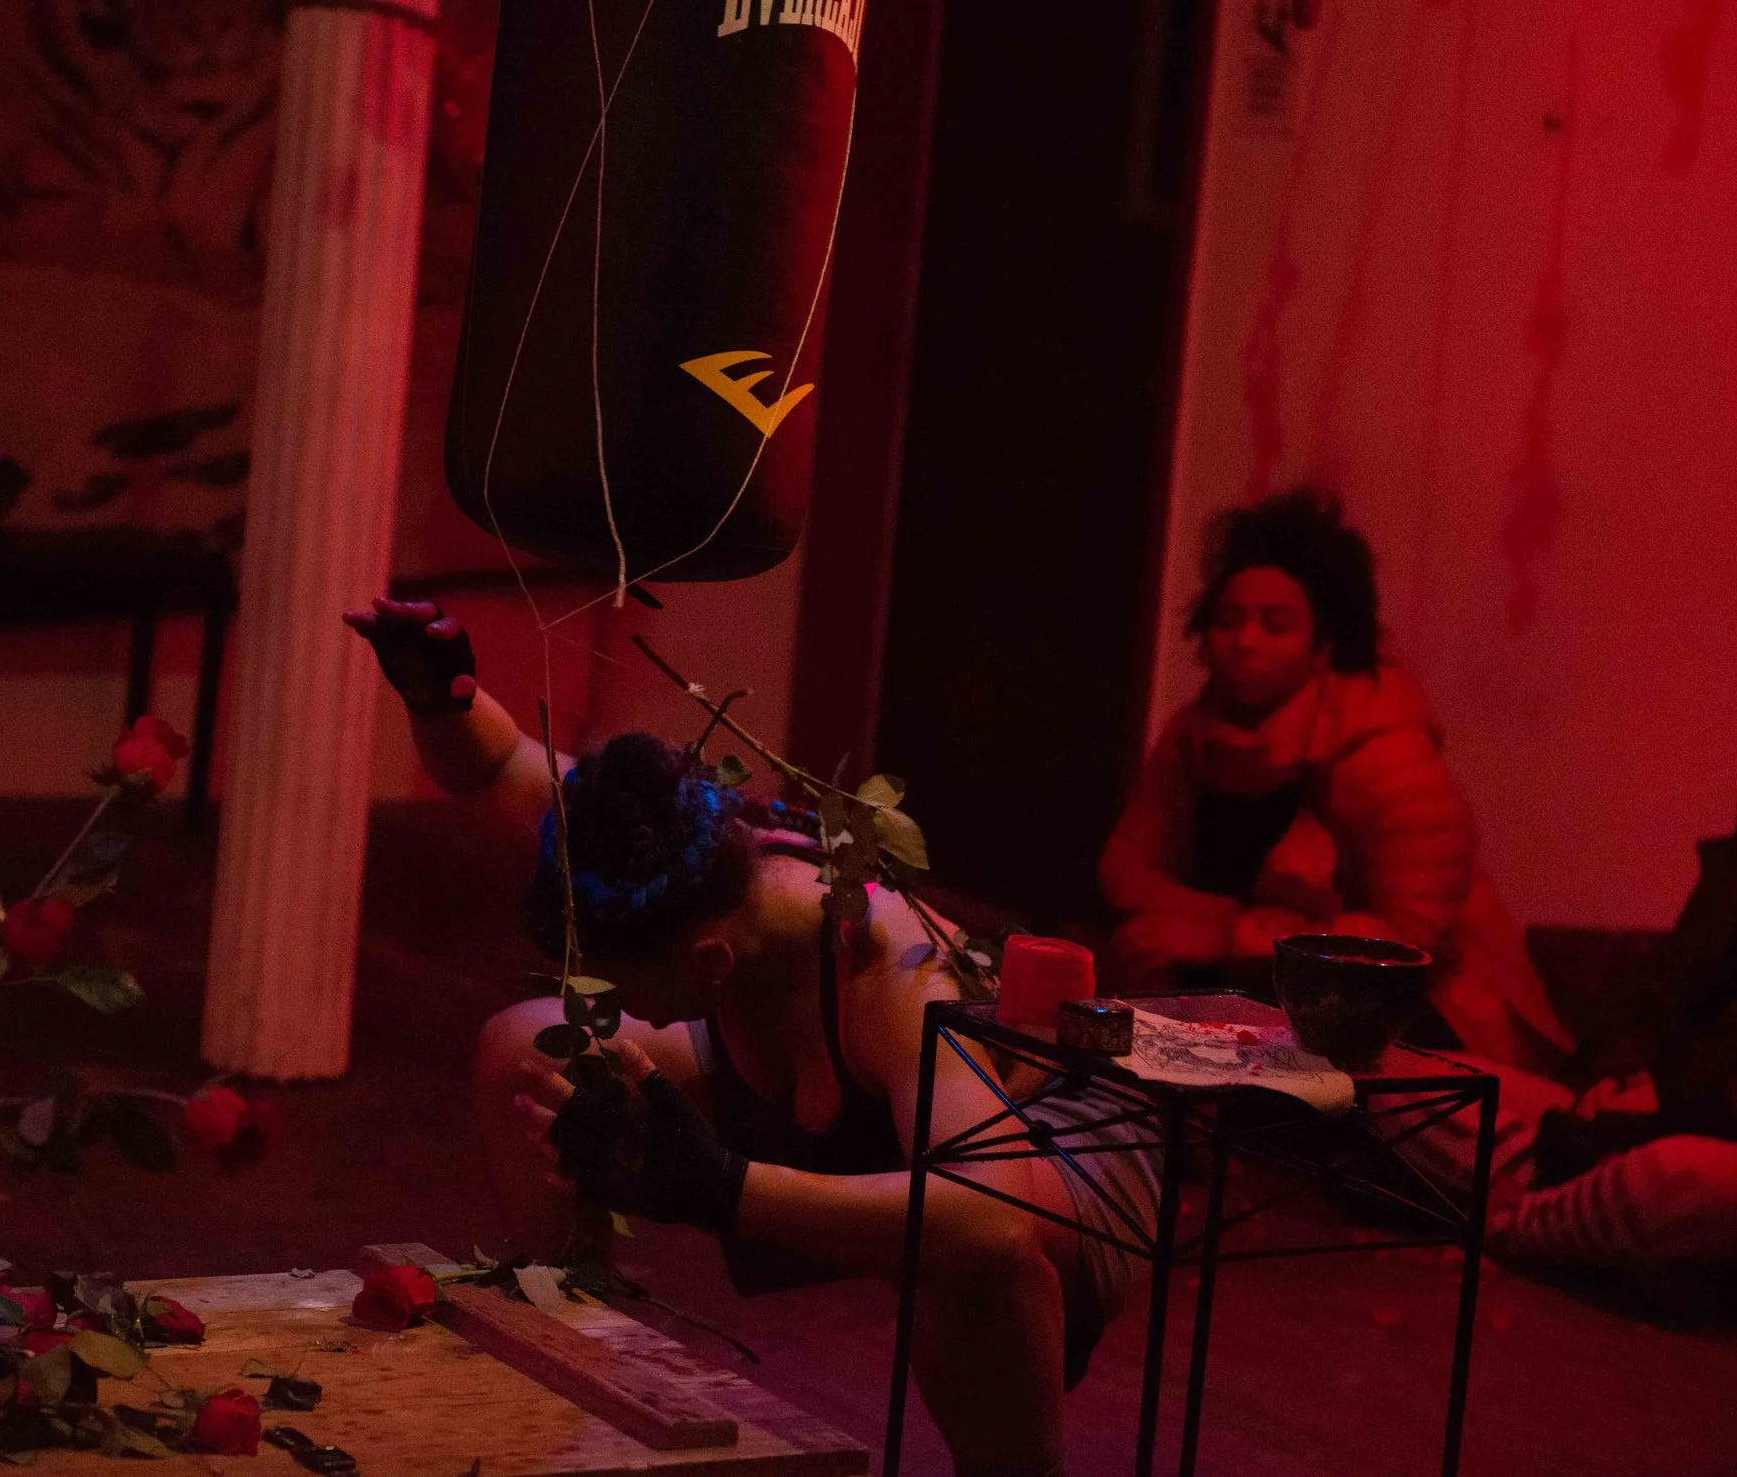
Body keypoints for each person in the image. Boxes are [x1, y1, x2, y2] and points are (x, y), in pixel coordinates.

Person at [346, 598, 1158, 1477]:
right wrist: (442, 702)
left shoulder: (898, 977)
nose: (610, 999)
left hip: (1065, 1150)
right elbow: (501, 762)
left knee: (964, 1266)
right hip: (873, 1118)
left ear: (713, 962)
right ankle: (568, 1366)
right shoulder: (676, 851)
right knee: (533, 1048)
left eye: (622, 981)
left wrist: (720, 1187)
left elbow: (999, 1219)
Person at [1415, 626, 1737, 1298]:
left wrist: (1679, 1096)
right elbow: (1664, 994)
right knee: (1422, 1082)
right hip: (1660, 1103)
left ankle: (1511, 1221)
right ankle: (1572, 1208)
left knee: (1676, 1177)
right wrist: (1615, 1074)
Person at [1099, 489, 1572, 1070]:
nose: (1245, 642)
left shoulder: (1386, 751)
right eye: (1229, 620)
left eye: (1276, 625)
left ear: (1324, 644)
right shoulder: (1195, 736)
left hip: (1415, 1019)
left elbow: (1406, 943)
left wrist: (1227, 938)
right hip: (1268, 1002)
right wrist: (1205, 930)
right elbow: (1125, 867)